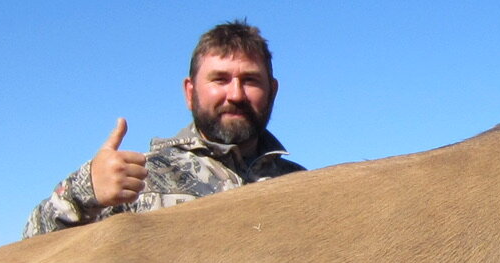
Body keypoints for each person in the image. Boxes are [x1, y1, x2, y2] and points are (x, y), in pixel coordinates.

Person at [23, 20, 304, 237]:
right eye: (219, 79)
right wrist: (83, 193)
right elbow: (29, 252)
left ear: (273, 91)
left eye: (250, 80)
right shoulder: (137, 180)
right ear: (189, 92)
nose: (236, 94)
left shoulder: (300, 187)